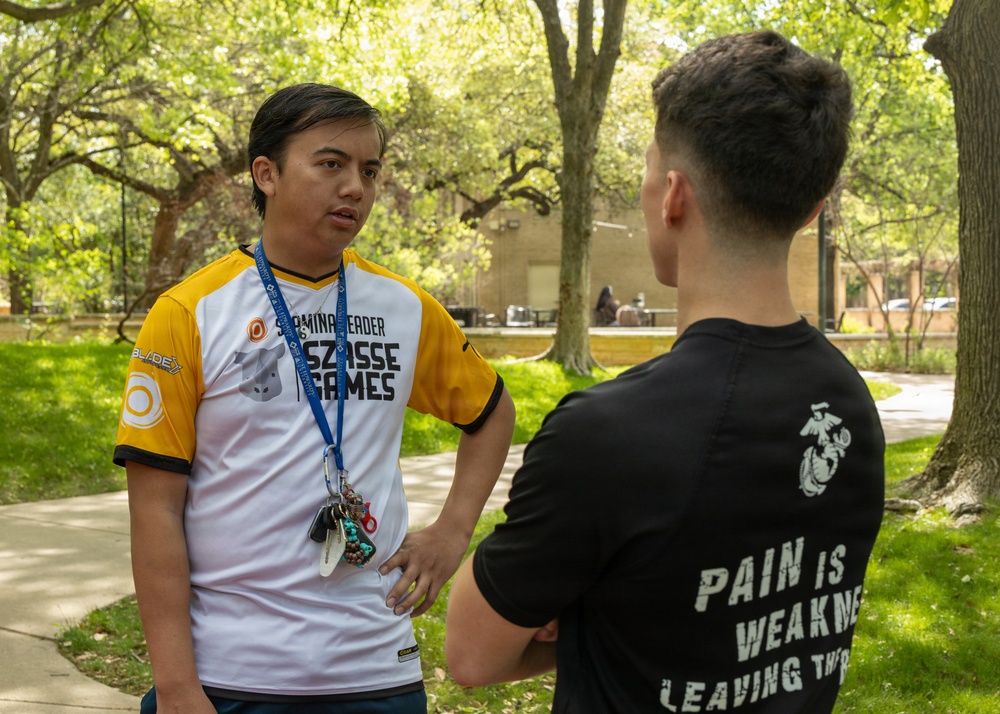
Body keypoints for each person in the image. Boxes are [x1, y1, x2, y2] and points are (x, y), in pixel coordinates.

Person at [446, 30, 884, 713]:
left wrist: (590, 609)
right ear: (812, 209)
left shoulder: (605, 434)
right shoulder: (850, 405)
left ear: (672, 196)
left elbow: (472, 654)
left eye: (649, 172)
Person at [115, 83, 515, 713]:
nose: (355, 187)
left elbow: (492, 413)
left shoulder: (405, 307)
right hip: (230, 676)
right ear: (267, 174)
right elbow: (155, 511)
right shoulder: (189, 312)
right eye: (331, 163)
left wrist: (452, 531)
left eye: (369, 171)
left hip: (376, 671)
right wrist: (176, 687)